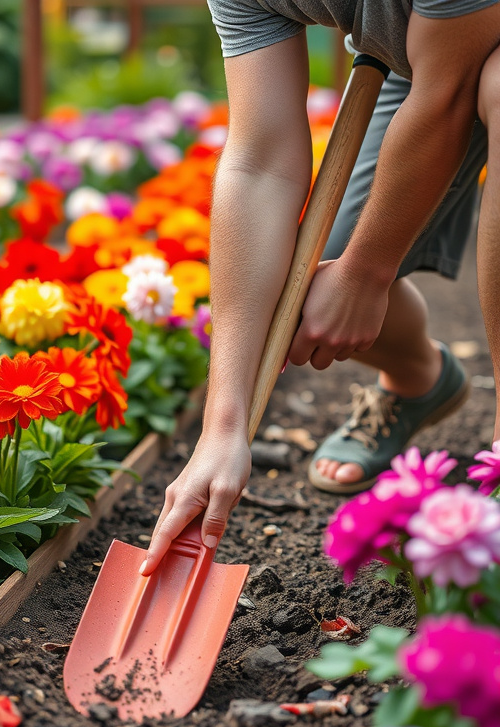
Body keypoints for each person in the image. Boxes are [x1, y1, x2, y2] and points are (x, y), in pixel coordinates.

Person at [140, 0, 500, 577]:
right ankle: (419, 379)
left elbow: (446, 99)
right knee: (293, 292)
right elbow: (258, 161)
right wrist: (223, 428)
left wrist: (366, 271)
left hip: (457, 69)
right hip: (424, 59)